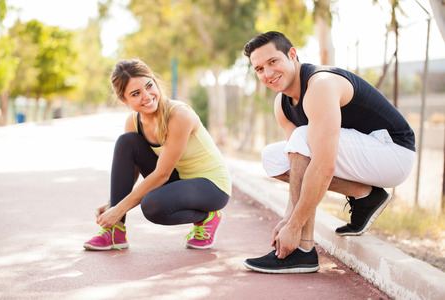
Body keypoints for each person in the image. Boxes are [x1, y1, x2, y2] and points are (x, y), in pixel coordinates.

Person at [242, 31, 415, 274]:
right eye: (259, 69)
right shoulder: (282, 105)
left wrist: (294, 226)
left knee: (304, 136)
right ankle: (364, 194)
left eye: (273, 62)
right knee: (273, 157)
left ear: (292, 55)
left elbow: (323, 166)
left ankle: (304, 250)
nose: (268, 73)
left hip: (394, 153)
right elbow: (299, 165)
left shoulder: (320, 85)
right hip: (365, 156)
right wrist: (288, 215)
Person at [83, 59, 231, 251]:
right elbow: (133, 170)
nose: (147, 96)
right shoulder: (134, 122)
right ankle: (115, 232)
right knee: (125, 142)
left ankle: (208, 217)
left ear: (154, 80)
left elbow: (162, 174)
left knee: (153, 206)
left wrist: (118, 209)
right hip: (179, 180)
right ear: (124, 100)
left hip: (211, 186)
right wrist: (114, 203)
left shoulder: (179, 115)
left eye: (149, 86)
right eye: (136, 94)